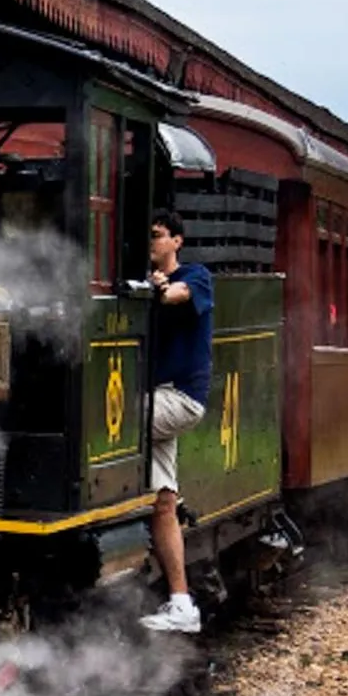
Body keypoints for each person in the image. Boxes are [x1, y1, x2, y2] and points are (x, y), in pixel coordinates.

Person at [139, 210, 214, 634]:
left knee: (103, 423)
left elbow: (180, 295)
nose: (152, 243)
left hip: (179, 398)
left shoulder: (197, 275)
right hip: (157, 400)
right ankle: (182, 603)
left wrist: (161, 290)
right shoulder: (144, 279)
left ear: (177, 241)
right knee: (164, 501)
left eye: (158, 235)